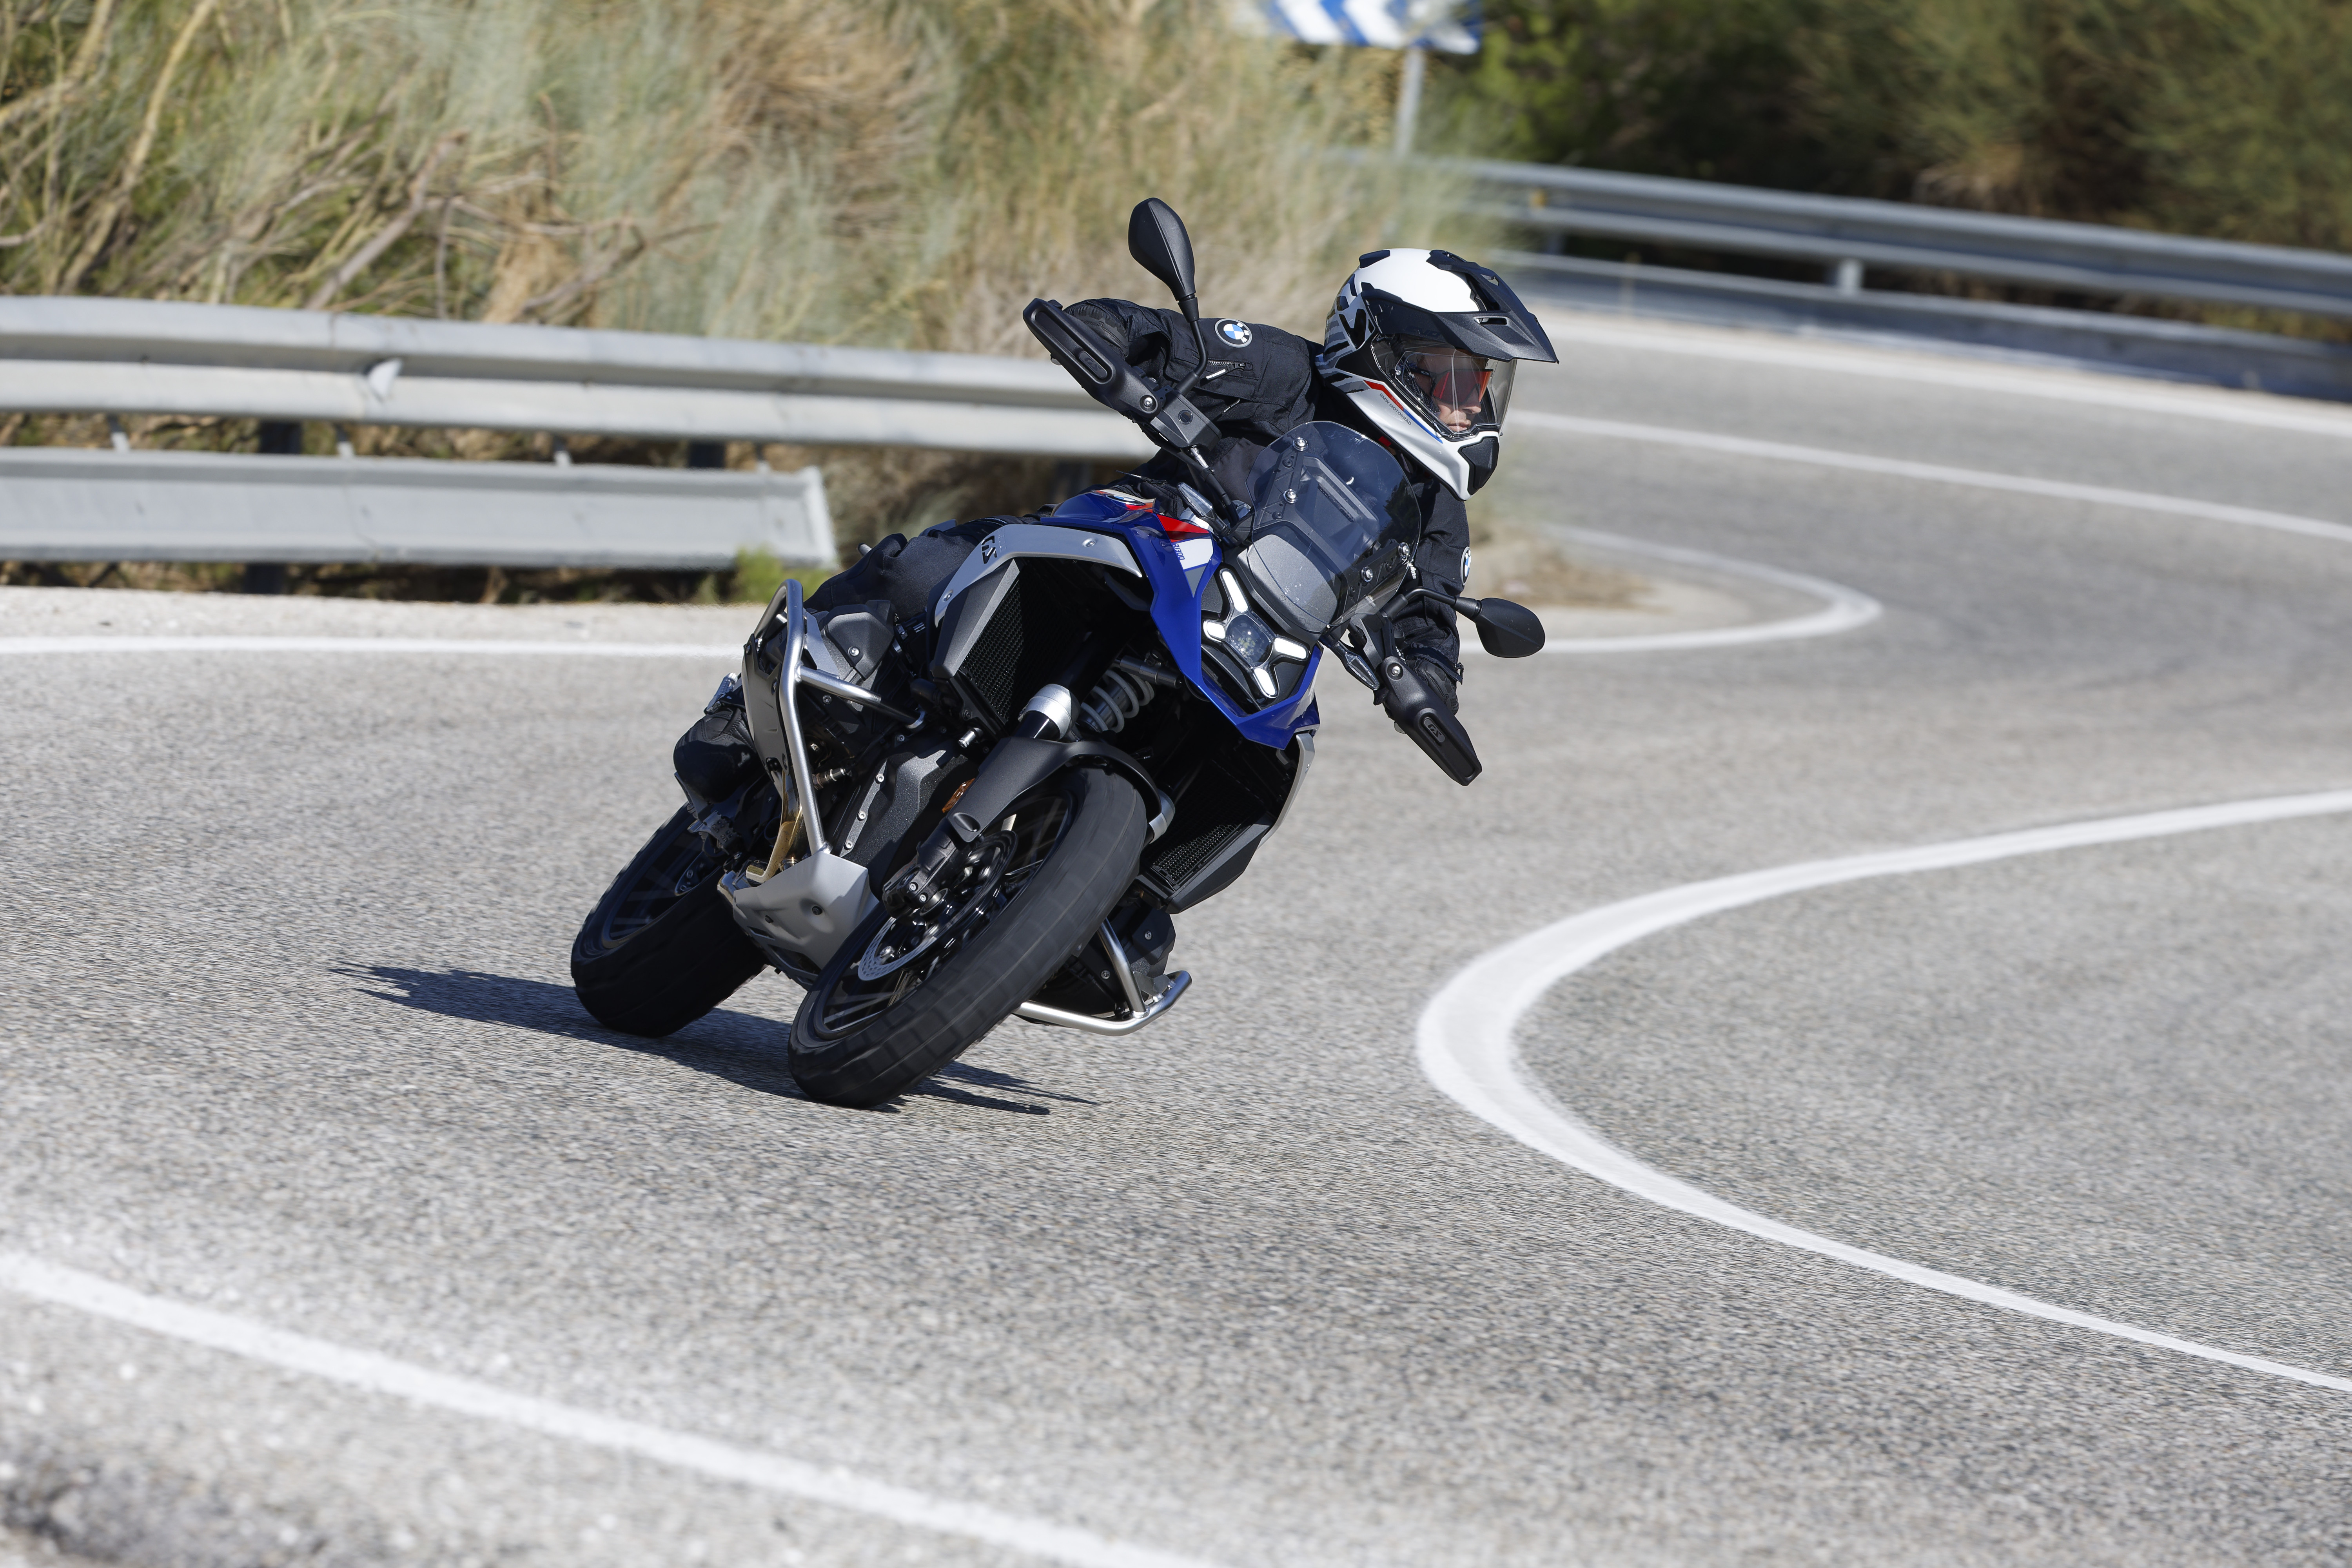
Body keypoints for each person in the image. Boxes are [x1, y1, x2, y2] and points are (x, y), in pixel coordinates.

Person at [799, 247, 1556, 710]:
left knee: (1267, 764)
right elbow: (1163, 338)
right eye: (1452, 375)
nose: (1473, 404)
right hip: (1135, 549)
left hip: (1256, 639)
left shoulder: (1434, 504)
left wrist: (1428, 680)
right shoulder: (1285, 371)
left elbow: (1429, 613)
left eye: (1482, 382)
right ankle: (782, 681)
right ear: (1380, 348)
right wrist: (1105, 336)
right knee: (926, 571)